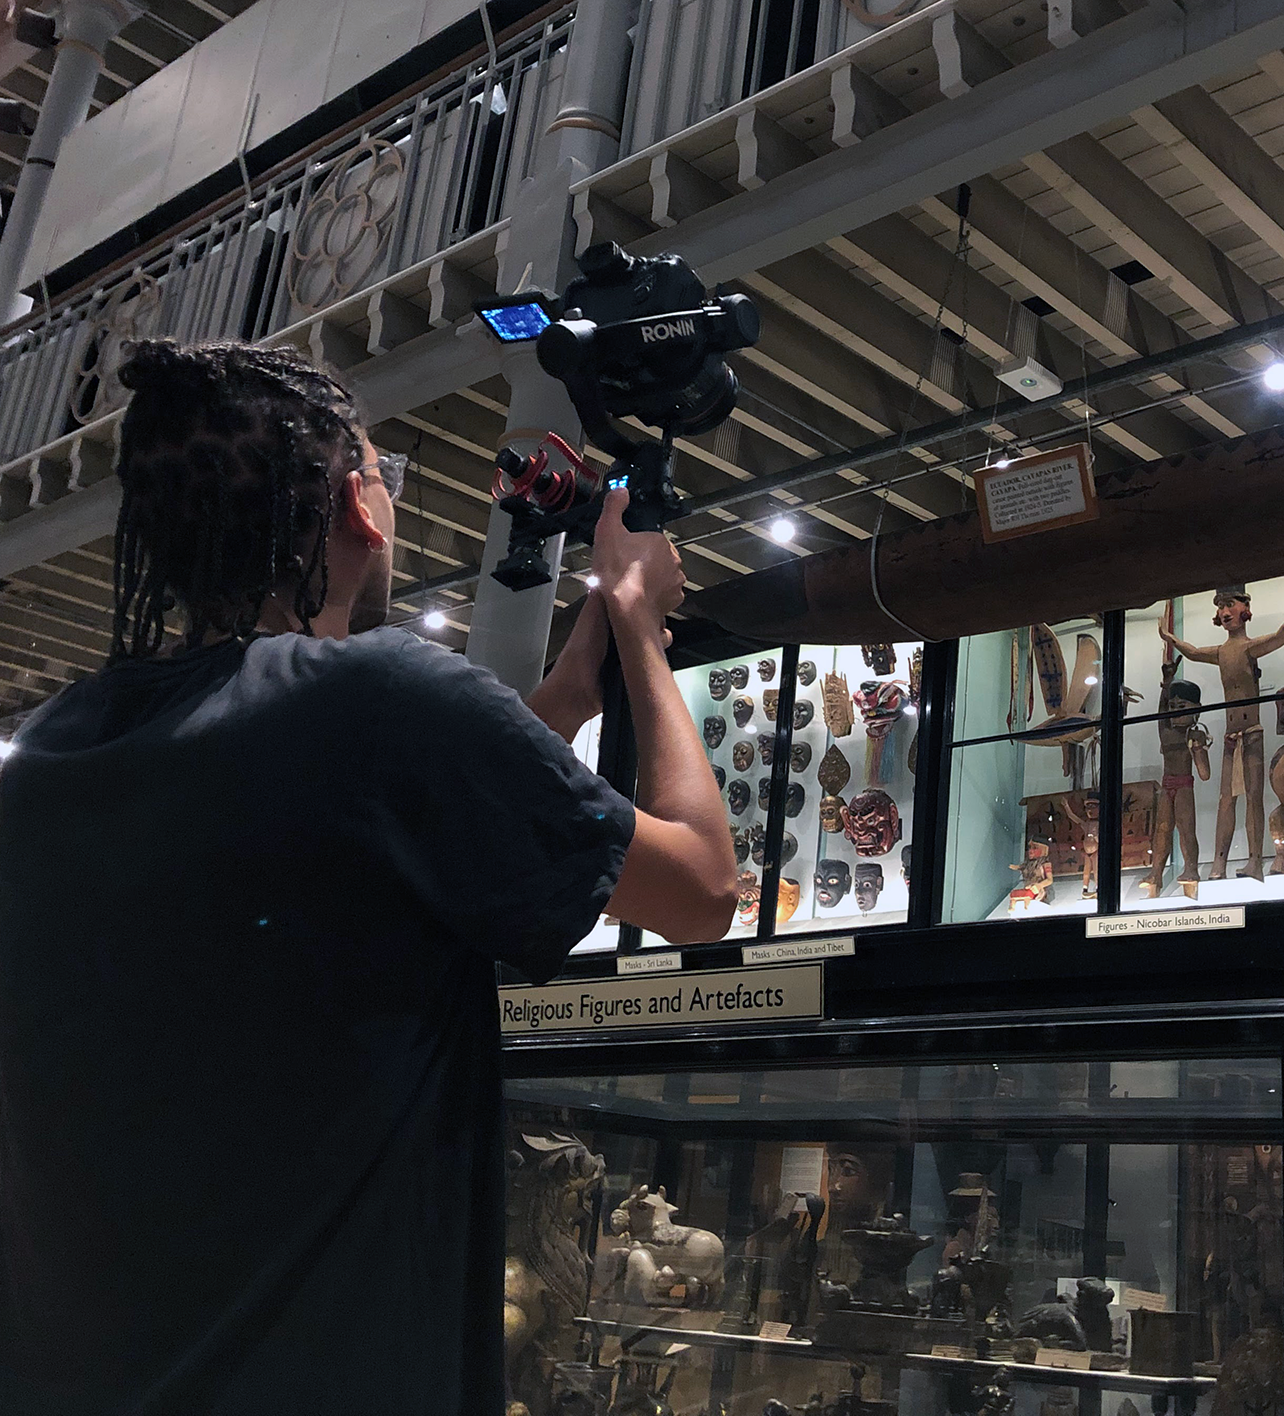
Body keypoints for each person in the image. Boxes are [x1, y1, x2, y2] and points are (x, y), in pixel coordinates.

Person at [0, 340, 736, 1413]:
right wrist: (632, 621)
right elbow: (702, 891)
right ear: (359, 504)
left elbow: (346, 836)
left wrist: (565, 698)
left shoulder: (50, 755)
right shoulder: (383, 698)